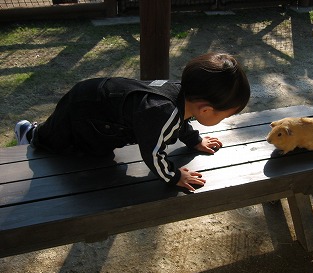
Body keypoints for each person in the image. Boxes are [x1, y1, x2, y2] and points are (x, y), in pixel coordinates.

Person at [14, 52, 250, 191]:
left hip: (101, 105)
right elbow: (154, 153)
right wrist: (175, 176)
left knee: (96, 156)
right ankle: (29, 132)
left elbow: (182, 122)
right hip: (85, 110)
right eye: (225, 115)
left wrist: (195, 141)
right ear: (206, 110)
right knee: (56, 145)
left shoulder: (181, 96)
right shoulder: (162, 113)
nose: (225, 119)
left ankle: (40, 132)